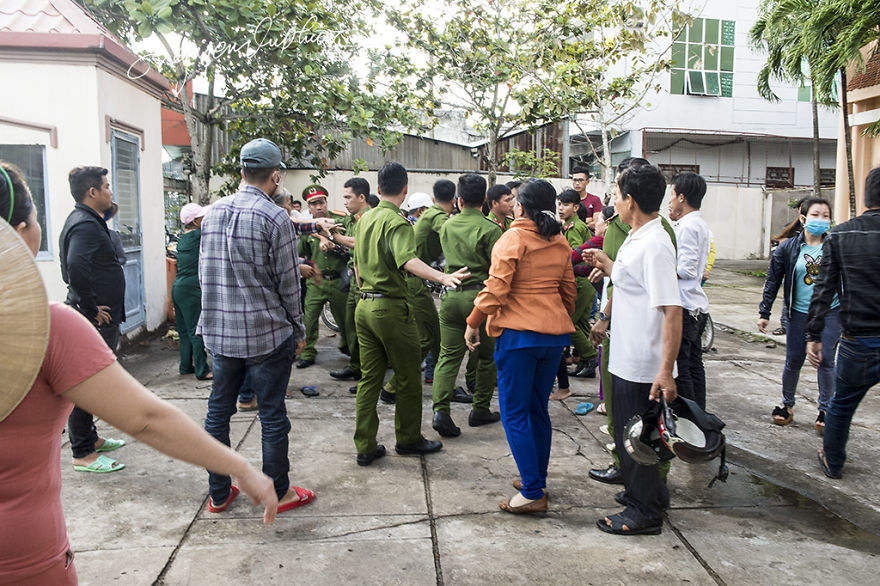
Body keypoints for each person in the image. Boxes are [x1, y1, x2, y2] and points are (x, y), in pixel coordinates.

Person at [0, 161, 279, 585]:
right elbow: (146, 419)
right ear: (19, 233)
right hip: (24, 560)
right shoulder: (48, 328)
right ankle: (85, 447)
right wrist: (241, 467)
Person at [198, 138, 326, 513]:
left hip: (221, 335)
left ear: (240, 173)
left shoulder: (213, 213)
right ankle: (279, 493)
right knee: (271, 415)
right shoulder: (275, 217)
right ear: (275, 176)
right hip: (266, 334)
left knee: (218, 414)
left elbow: (207, 276)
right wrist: (298, 330)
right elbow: (288, 284)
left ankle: (218, 494)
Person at [464, 179, 576, 514]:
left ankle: (532, 492)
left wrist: (472, 322)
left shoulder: (512, 237)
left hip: (518, 336)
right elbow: (569, 292)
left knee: (515, 413)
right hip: (552, 336)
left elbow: (496, 289)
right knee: (537, 409)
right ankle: (535, 479)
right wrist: (552, 317)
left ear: (521, 206)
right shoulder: (558, 240)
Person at [583, 163, 681, 535]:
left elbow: (672, 310)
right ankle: (644, 496)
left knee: (639, 441)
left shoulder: (655, 244)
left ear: (631, 200)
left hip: (643, 363)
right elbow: (631, 285)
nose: (613, 201)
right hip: (625, 356)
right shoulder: (638, 237)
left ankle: (646, 514)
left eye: (616, 194)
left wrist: (665, 370)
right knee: (630, 437)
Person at [352, 162, 468, 466]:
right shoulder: (398, 223)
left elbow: (356, 265)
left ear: (377, 190)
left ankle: (365, 445)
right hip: (389, 307)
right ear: (404, 190)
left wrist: (365, 288)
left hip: (363, 305)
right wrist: (442, 277)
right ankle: (408, 439)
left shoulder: (364, 219)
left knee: (369, 380)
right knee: (408, 378)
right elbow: (408, 261)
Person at [809, 167, 880, 479]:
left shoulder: (841, 234)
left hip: (858, 341)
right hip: (860, 339)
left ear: (866, 196)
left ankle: (833, 461)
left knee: (841, 405)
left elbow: (823, 289)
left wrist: (815, 333)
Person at [59, 166, 127, 473]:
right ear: (93, 192)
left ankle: (92, 438)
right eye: (107, 186)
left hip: (99, 315)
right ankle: (82, 452)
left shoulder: (88, 221)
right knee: (88, 383)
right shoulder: (84, 225)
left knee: (93, 381)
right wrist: (90, 307)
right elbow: (74, 267)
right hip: (95, 318)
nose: (111, 191)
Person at [758, 197, 840, 430]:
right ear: (803, 218)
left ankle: (825, 410)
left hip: (830, 312)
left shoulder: (834, 245)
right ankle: (787, 404)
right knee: (794, 360)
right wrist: (765, 311)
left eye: (826, 215)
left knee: (825, 360)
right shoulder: (787, 248)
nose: (822, 220)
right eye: (816, 215)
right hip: (798, 313)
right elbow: (773, 281)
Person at [431, 174, 502, 437]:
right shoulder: (491, 229)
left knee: (448, 356)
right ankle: (480, 409)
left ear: (459, 200)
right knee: (485, 358)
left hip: (450, 296)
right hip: (480, 300)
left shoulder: (447, 226)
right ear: (484, 200)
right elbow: (497, 270)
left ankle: (441, 410)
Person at [667, 173, 711, 409]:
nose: (671, 200)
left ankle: (690, 417)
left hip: (685, 305)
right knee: (694, 365)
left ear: (681, 197)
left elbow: (685, 269)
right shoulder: (696, 224)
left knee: (682, 367)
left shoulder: (688, 226)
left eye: (672, 195)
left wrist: (660, 271)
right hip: (694, 303)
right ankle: (699, 415)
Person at [295, 184, 348, 369]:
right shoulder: (305, 227)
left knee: (345, 320)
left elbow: (351, 249)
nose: (318, 207)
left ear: (326, 202)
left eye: (321, 202)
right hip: (316, 281)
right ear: (308, 207)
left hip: (339, 280)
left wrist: (332, 241)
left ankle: (347, 346)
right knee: (309, 319)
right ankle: (308, 352)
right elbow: (302, 253)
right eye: (313, 204)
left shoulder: (341, 221)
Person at [329, 177, 373, 388]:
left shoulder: (369, 217)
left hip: (366, 281)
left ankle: (367, 374)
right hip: (354, 281)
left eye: (348, 197)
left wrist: (335, 237)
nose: (345, 201)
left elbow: (358, 243)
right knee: (351, 328)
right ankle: (356, 367)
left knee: (365, 333)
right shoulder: (353, 218)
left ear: (362, 197)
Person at [558, 188, 598, 380]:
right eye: (559, 204)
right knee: (581, 323)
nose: (560, 208)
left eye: (565, 205)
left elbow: (571, 255)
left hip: (580, 281)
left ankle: (590, 357)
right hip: (585, 281)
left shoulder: (574, 227)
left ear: (576, 207)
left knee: (568, 325)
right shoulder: (571, 225)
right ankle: (585, 361)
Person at [172, 203, 212, 381]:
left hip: (178, 286)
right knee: (196, 330)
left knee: (183, 330)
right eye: (203, 217)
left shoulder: (183, 238)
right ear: (196, 221)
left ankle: (185, 366)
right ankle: (202, 370)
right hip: (191, 287)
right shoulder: (198, 235)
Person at [571, 165, 603, 231]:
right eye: (575, 180)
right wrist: (588, 219)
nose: (577, 183)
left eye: (581, 180)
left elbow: (596, 223)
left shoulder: (595, 200)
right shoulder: (568, 199)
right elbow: (564, 221)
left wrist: (576, 225)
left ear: (587, 182)